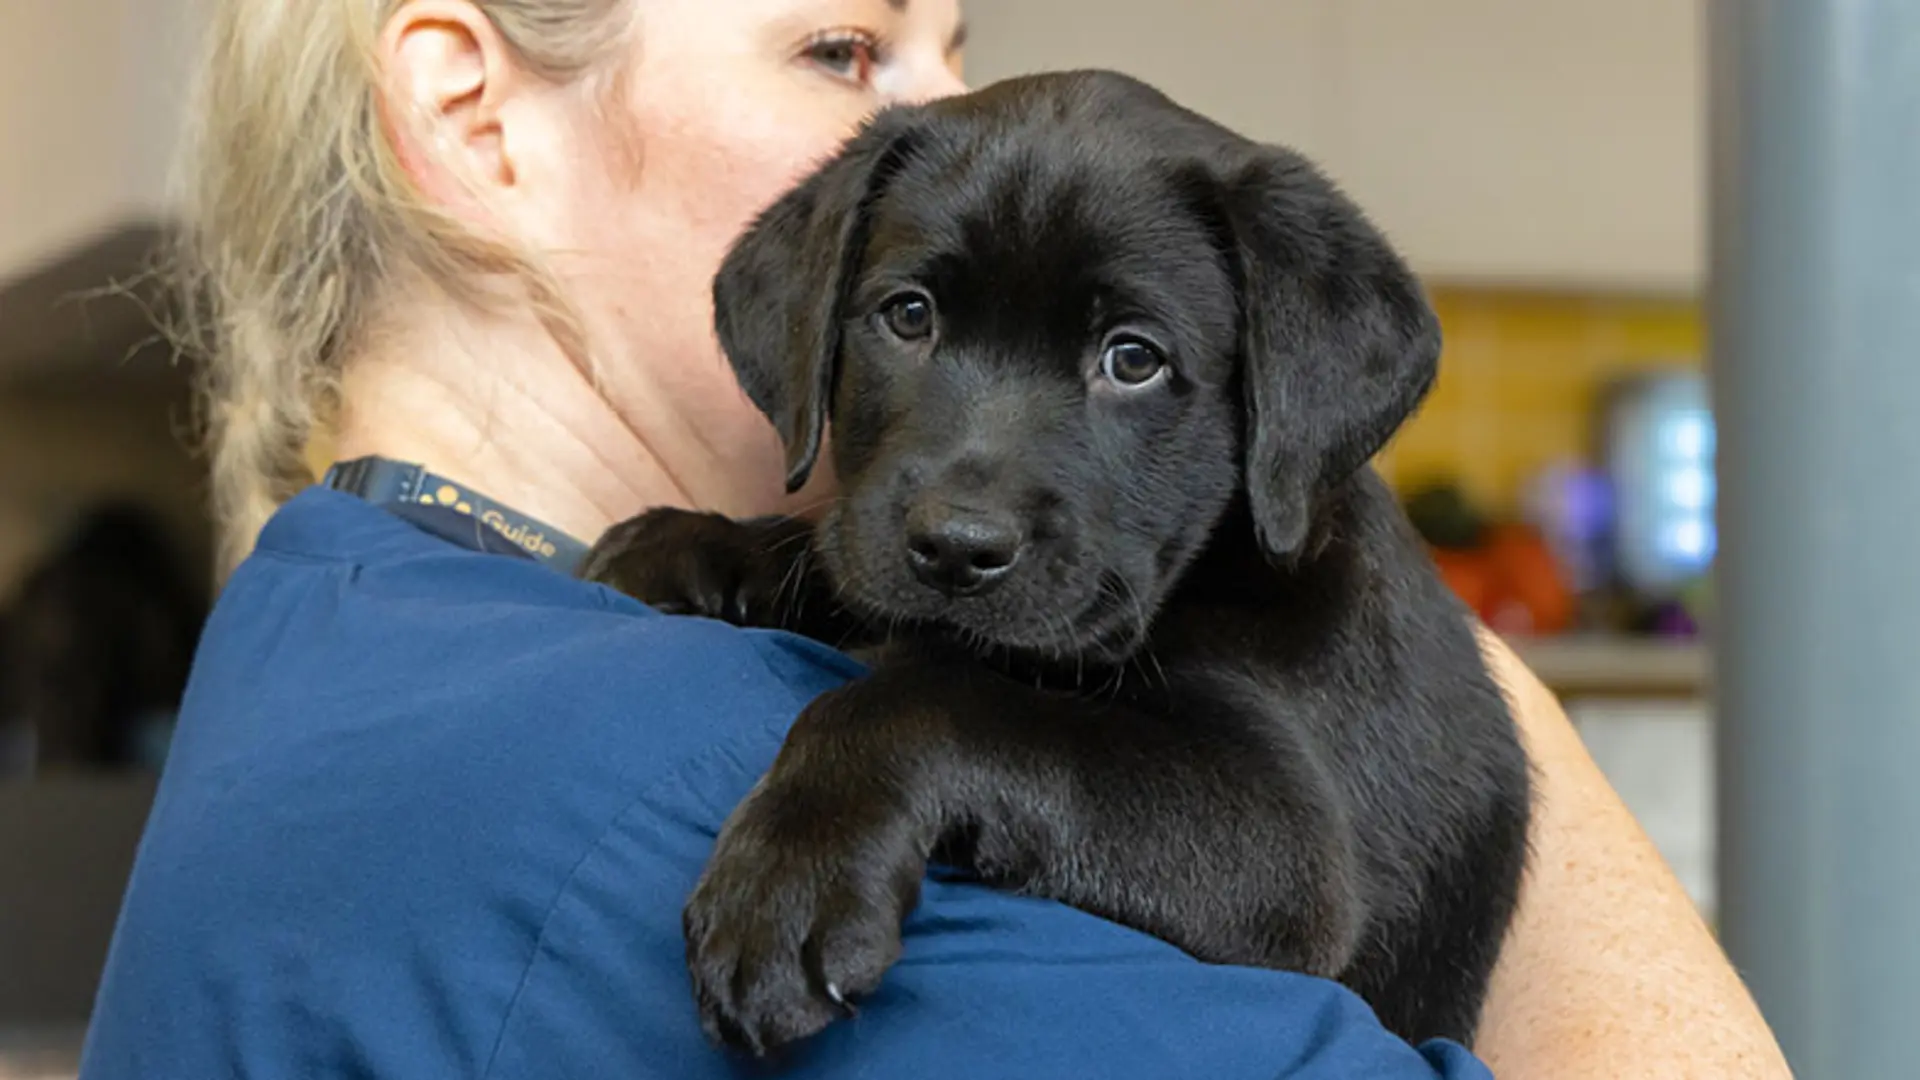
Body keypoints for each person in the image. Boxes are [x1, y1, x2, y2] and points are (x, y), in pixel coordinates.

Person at [79, 1, 1791, 1077]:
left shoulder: (338, 617)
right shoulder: (699, 782)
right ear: (474, 113)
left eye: (952, 44)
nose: (935, 106)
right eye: (843, 47)